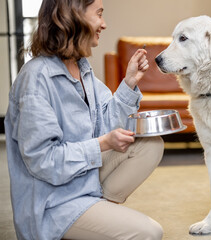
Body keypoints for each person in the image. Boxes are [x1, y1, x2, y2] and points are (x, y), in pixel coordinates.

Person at [5, 0, 164, 239]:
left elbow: (109, 123)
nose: (104, 23)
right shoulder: (37, 79)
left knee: (150, 145)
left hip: (81, 184)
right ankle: (83, 222)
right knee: (149, 233)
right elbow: (44, 161)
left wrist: (130, 81)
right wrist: (103, 144)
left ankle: (95, 211)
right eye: (99, 14)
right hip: (53, 204)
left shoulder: (82, 68)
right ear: (74, 16)